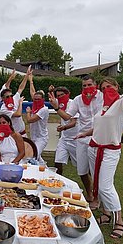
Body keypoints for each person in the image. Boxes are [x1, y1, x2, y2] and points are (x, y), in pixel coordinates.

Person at [77, 48, 123, 239]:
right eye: (103, 89)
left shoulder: (121, 105)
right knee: (97, 183)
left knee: (105, 186)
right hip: (93, 149)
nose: (106, 91)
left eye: (109, 87)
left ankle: (119, 220)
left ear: (117, 89)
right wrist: (85, 133)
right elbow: (99, 127)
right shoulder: (102, 108)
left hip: (109, 151)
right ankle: (105, 213)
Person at [48, 75, 103, 207]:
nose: (87, 87)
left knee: (95, 171)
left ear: (95, 85)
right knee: (82, 170)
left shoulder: (101, 96)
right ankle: (90, 194)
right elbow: (68, 116)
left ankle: (98, 197)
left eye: (90, 84)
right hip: (81, 139)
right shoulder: (78, 100)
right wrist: (56, 108)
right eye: (84, 85)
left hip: (97, 138)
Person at [51, 86, 79, 175]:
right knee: (58, 162)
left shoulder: (73, 104)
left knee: (82, 167)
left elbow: (73, 122)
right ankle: (57, 181)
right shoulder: (60, 104)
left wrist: (64, 127)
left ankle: (94, 184)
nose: (60, 97)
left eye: (62, 95)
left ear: (68, 94)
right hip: (64, 138)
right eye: (58, 96)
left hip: (75, 139)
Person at [0, 67, 32, 136]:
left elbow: (21, 88)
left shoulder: (14, 99)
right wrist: (20, 103)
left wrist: (26, 76)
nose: (10, 98)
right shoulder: (3, 109)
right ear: (3, 98)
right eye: (7, 97)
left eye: (11, 95)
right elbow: (18, 114)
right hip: (13, 135)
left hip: (23, 133)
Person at [25, 72, 49, 160]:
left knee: (34, 156)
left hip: (41, 138)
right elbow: (32, 92)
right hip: (33, 137)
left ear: (43, 100)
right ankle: (45, 168)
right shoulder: (35, 106)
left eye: (39, 99)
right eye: (35, 99)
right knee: (37, 158)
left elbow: (30, 120)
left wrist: (28, 112)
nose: (37, 100)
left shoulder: (44, 109)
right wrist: (30, 80)